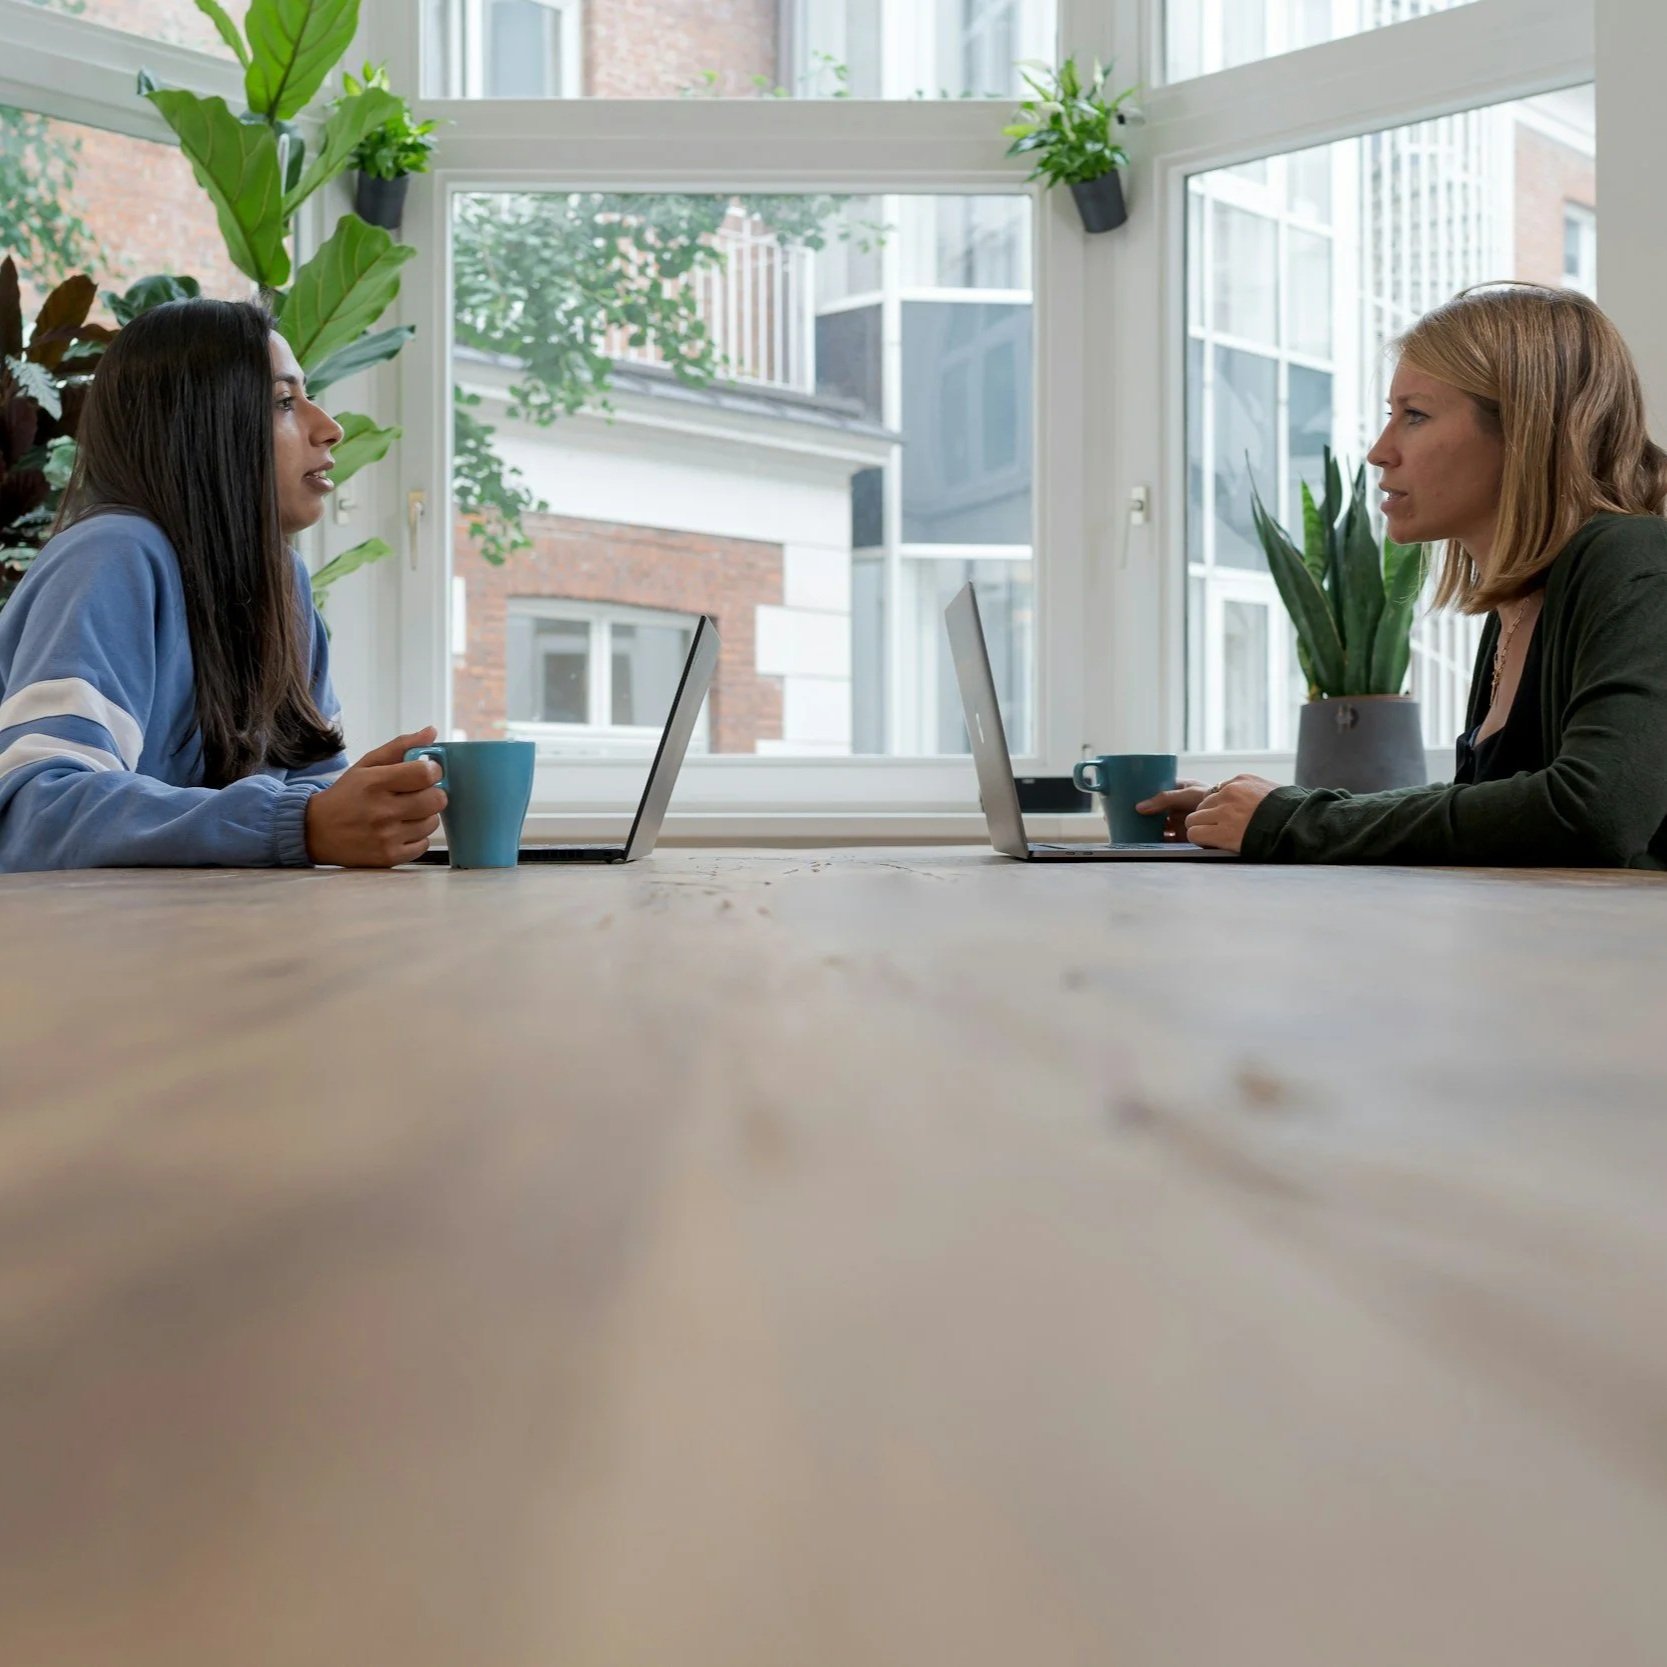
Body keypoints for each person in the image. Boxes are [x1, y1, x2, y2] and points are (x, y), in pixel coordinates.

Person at [1139, 283, 1667, 868]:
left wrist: (1295, 819)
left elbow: (1594, 811)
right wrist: (1264, 809)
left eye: (1414, 415)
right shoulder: (1521, 605)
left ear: (1525, 430)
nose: (1379, 451)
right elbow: (1488, 809)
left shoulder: (1634, 559)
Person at [0, 299, 446, 873]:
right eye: (285, 402)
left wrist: (356, 815)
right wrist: (298, 824)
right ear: (202, 429)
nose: (329, 428)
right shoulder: (113, 556)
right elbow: (37, 814)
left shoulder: (284, 584)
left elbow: (312, 791)